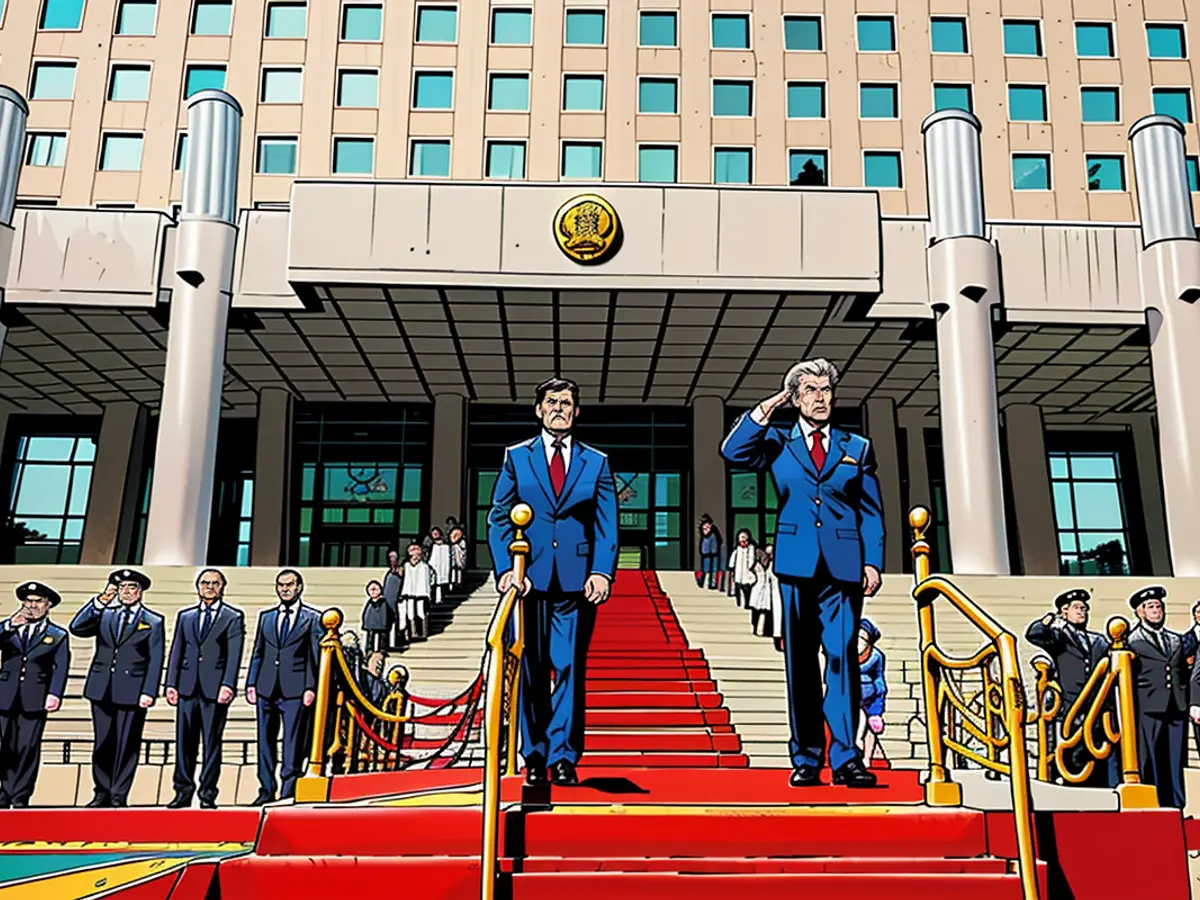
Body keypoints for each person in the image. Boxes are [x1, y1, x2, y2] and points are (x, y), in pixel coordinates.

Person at [720, 357, 884, 789]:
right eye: (810, 390)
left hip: (844, 568)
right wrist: (769, 407)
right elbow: (732, 451)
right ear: (796, 399)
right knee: (800, 666)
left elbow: (870, 511)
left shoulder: (857, 447)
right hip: (795, 565)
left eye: (826, 390)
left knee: (842, 658)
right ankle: (807, 757)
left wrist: (873, 561)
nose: (820, 398)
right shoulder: (778, 442)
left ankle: (847, 757)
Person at [487, 376, 617, 787]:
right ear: (539, 410)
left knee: (568, 667)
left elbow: (606, 523)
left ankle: (563, 755)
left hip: (576, 582)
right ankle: (534, 753)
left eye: (567, 403)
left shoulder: (596, 462)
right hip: (527, 581)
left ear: (577, 412)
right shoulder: (516, 457)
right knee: (531, 668)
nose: (560, 408)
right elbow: (498, 517)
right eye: (552, 402)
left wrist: (602, 571)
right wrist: (506, 568)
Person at [69, 569, 165, 808]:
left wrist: (149, 692)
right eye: (122, 587)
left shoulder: (153, 621)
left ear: (140, 592)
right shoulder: (105, 615)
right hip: (102, 687)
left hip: (132, 690)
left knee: (127, 744)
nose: (126, 592)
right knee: (102, 742)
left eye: (131, 587)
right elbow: (77, 628)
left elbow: (156, 659)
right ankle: (101, 790)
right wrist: (100, 601)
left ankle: (119, 793)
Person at [164, 568, 244, 809]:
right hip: (187, 688)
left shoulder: (232, 616)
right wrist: (171, 683)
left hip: (214, 690)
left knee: (211, 744)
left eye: (215, 583)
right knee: (184, 743)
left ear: (222, 587)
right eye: (205, 583)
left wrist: (228, 684)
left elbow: (234, 655)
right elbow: (177, 650)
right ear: (198, 587)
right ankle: (182, 791)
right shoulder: (185, 616)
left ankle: (208, 794)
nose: (209, 587)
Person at [246, 569, 321, 805]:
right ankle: (266, 789)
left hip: (295, 690)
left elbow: (314, 657)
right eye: (280, 585)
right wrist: (251, 682)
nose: (285, 589)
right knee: (264, 741)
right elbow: (258, 652)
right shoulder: (266, 617)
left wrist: (311, 686)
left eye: (289, 584)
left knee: (293, 742)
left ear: (299, 587)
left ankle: (288, 790)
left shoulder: (312, 618)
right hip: (266, 688)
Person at [1024, 588, 1114, 786]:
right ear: (1064, 611)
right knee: (1071, 758)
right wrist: (1050, 618)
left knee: (1096, 757)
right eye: (1076, 608)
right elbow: (1034, 633)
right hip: (1069, 706)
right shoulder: (1058, 637)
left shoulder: (1098, 640)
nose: (1082, 612)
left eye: (1084, 608)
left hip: (1095, 707)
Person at [0, 581, 69, 809]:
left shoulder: (57, 634)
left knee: (27, 748)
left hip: (34, 698)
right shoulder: (8, 628)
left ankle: (20, 794)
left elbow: (60, 667)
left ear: (48, 605)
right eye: (28, 601)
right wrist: (10, 625)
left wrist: (55, 693)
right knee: (5, 745)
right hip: (5, 696)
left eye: (37, 601)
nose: (31, 606)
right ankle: (4, 791)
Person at [1129, 585, 1187, 808]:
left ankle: (1176, 804)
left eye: (1159, 606)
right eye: (1151, 607)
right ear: (1140, 612)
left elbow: (1182, 672)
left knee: (1175, 760)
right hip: (1148, 705)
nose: (1156, 611)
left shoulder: (1175, 639)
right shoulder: (1132, 640)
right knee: (1149, 758)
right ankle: (1152, 803)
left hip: (1175, 706)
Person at [857, 618, 888, 767]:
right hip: (852, 696)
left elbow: (878, 678)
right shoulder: (846, 654)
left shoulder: (876, 656)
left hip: (870, 697)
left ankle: (867, 758)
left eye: (863, 638)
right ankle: (856, 749)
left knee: (871, 727)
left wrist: (877, 709)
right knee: (859, 721)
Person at [401, 542, 434, 641]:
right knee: (410, 613)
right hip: (408, 593)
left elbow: (431, 578)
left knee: (421, 612)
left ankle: (423, 632)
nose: (415, 554)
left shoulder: (425, 566)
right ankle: (412, 632)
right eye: (412, 551)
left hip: (422, 593)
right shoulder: (405, 566)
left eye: (417, 551)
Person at [748, 545, 776, 637]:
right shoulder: (756, 565)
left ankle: (762, 631)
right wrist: (753, 581)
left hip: (767, 590)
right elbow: (750, 574)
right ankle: (756, 628)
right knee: (756, 611)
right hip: (757, 589)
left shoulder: (773, 565)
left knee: (765, 611)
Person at [361, 579, 392, 655]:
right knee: (370, 636)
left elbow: (387, 614)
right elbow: (366, 613)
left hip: (382, 624)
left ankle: (382, 649)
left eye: (376, 589)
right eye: (371, 590)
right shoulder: (369, 603)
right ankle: (369, 649)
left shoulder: (384, 603)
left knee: (383, 637)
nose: (374, 592)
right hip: (371, 624)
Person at [728, 529, 758, 609]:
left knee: (746, 590)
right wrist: (731, 566)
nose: (743, 542)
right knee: (738, 589)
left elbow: (752, 559)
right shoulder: (737, 550)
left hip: (747, 574)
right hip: (738, 574)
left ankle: (747, 604)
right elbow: (732, 560)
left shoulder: (751, 549)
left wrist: (750, 567)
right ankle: (738, 603)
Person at [382, 550, 404, 650]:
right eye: (391, 557)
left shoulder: (401, 571)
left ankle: (396, 642)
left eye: (395, 556)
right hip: (387, 602)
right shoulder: (387, 572)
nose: (393, 559)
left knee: (398, 623)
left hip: (398, 601)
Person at [428, 527, 452, 604]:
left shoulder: (446, 544)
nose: (435, 535)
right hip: (433, 565)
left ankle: (440, 598)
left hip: (443, 567)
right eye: (433, 533)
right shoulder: (430, 543)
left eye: (436, 533)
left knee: (441, 584)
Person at [698, 516, 721, 590]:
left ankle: (712, 585)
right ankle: (704, 583)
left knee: (712, 571)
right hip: (705, 555)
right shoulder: (703, 536)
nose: (706, 529)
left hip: (713, 555)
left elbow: (715, 545)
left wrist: (713, 552)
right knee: (705, 570)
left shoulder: (713, 535)